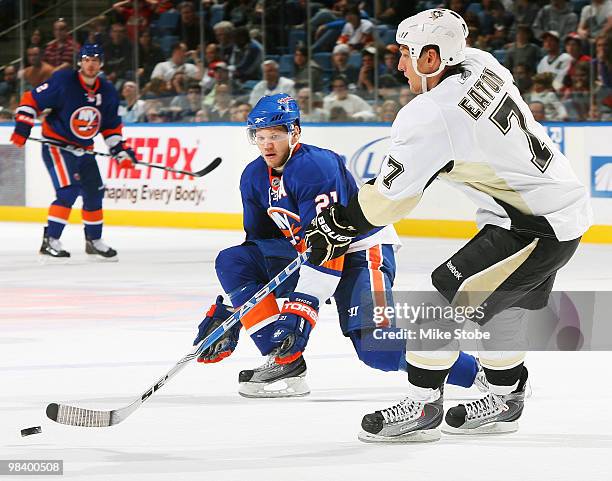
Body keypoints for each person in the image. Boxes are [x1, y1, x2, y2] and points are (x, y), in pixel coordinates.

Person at [305, 9, 592, 443]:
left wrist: (340, 224)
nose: (400, 65)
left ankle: (422, 405)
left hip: (533, 226)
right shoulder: (481, 63)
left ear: (432, 57)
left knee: (438, 302)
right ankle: (506, 398)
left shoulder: (432, 114)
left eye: (406, 54)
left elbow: (392, 199)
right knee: (500, 312)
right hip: (557, 211)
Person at [192, 93, 481, 398]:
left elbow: (332, 244)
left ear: (295, 132)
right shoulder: (253, 176)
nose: (267, 144)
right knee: (234, 261)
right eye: (260, 136)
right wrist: (239, 308)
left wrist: (302, 308)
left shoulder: (315, 167)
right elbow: (261, 244)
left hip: (359, 251)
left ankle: (480, 373)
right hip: (308, 255)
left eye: (275, 135)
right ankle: (284, 361)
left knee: (378, 349)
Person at [10, 44, 137, 261]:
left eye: (95, 60)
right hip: (56, 146)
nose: (91, 64)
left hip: (84, 149)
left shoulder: (107, 91)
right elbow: (31, 100)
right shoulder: (64, 81)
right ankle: (50, 240)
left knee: (94, 192)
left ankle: (94, 241)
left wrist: (120, 151)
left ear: (101, 63)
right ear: (80, 62)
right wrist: (23, 126)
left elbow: (110, 127)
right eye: (87, 59)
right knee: (68, 190)